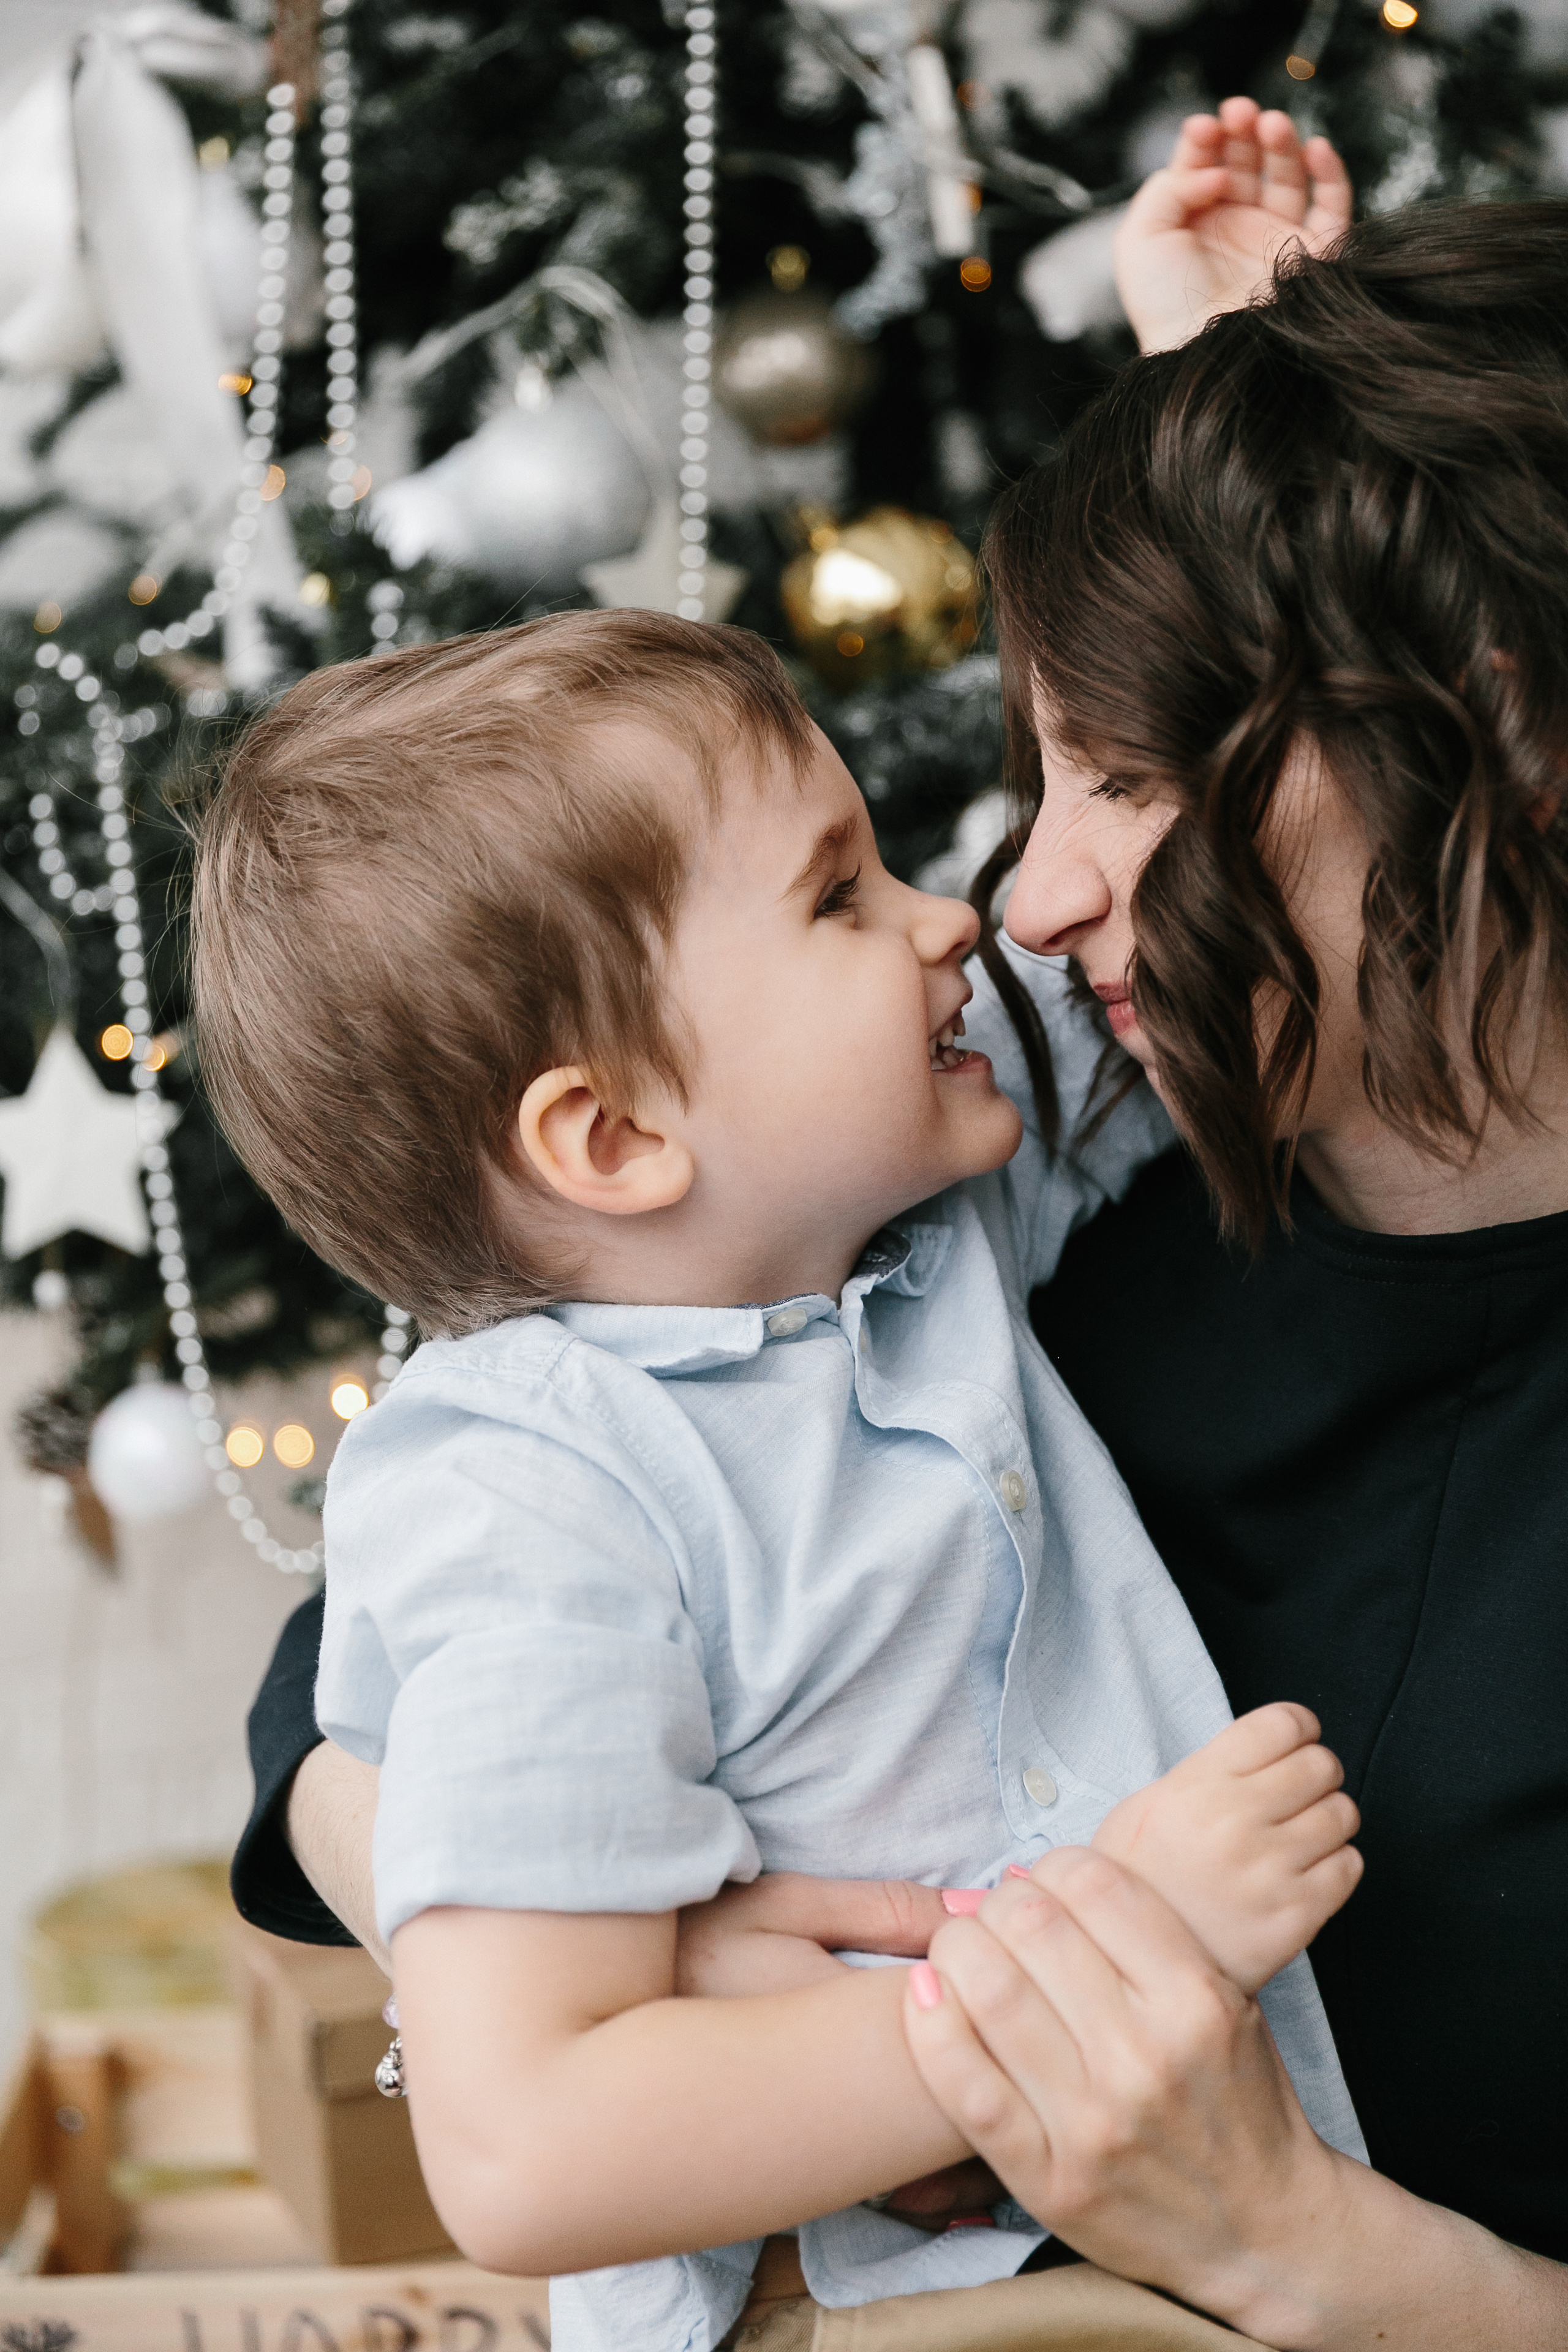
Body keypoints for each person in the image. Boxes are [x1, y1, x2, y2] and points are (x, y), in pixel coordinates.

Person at [195, 598, 1367, 2352]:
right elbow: (530, 2146)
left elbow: (1147, 928)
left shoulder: (909, 1211)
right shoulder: (527, 1494)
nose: (962, 917)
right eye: (839, 899)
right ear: (616, 1136)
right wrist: (1123, 1947)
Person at [881, 176, 1568, 2350]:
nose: (1028, 897)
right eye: (1041, 773)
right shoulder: (1065, 1215)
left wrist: (1297, 2251)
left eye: (1124, 778)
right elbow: (381, 1667)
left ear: (1506, 737)